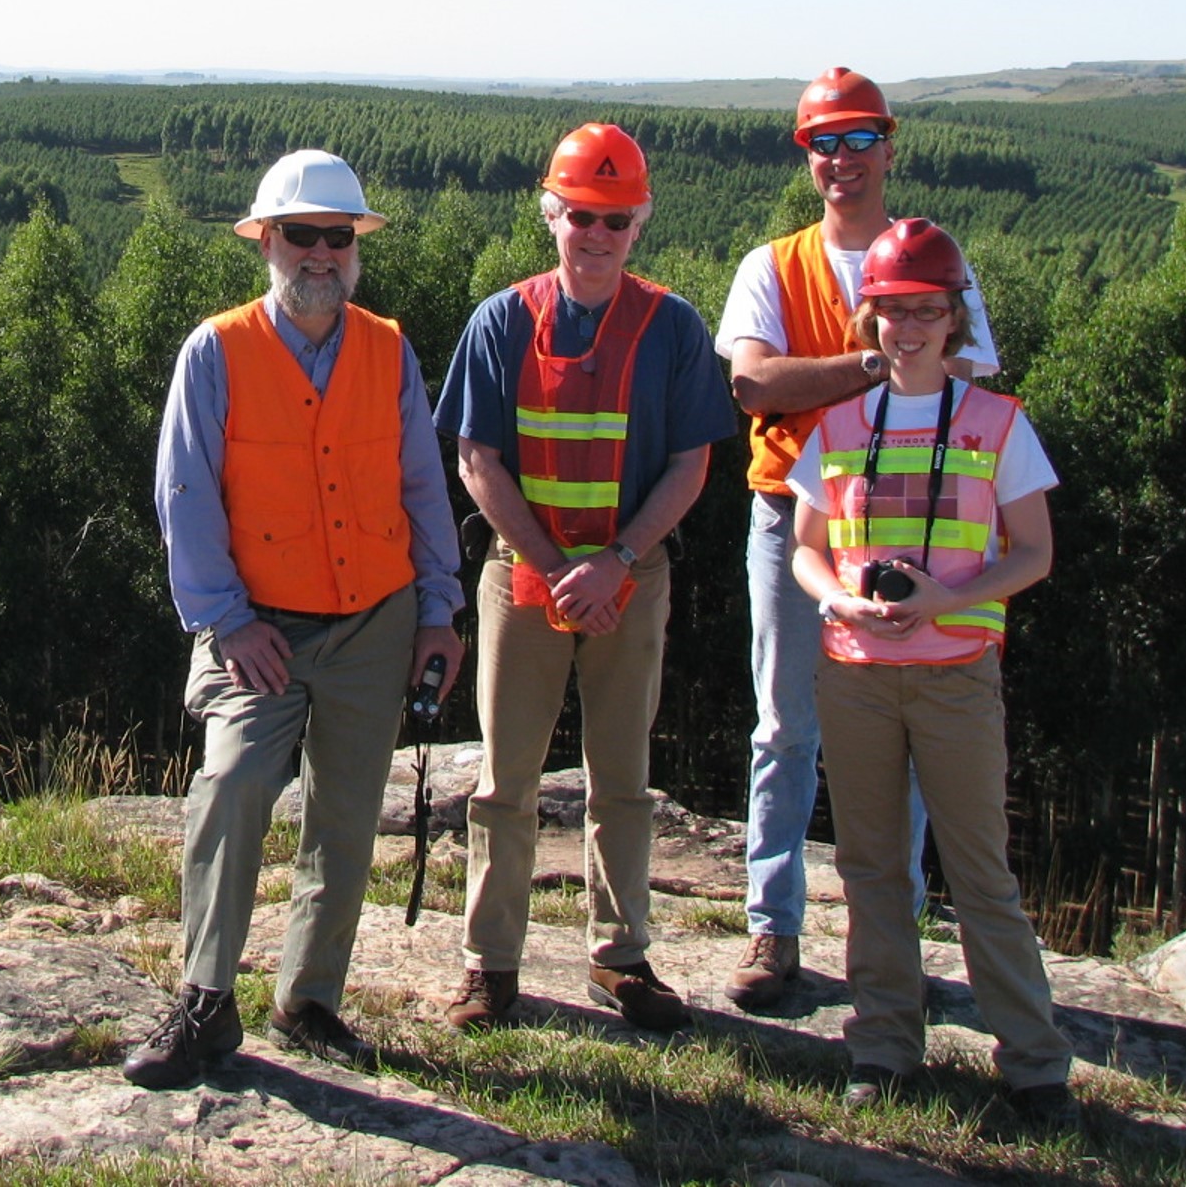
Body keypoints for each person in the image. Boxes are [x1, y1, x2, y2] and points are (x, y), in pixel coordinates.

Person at [131, 149, 465, 1089]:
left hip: (377, 621)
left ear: (355, 247)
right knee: (232, 786)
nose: (322, 253)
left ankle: (309, 997)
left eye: (338, 236)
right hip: (255, 626)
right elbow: (185, 497)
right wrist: (227, 622)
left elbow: (421, 488)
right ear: (266, 241)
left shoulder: (389, 348)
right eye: (302, 234)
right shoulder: (217, 349)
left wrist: (439, 610)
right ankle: (204, 1002)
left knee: (349, 815)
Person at [434, 124, 737, 1031]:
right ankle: (490, 966)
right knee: (505, 781)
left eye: (613, 218)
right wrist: (557, 567)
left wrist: (611, 564)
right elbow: (475, 460)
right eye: (578, 216)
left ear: (638, 223)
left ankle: (622, 959)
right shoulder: (500, 320)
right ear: (550, 216)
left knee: (622, 779)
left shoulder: (673, 325)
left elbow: (691, 464)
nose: (595, 234)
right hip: (523, 577)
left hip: (630, 577)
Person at [714, 67, 1001, 1010]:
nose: (839, 160)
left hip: (919, 522)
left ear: (889, 144)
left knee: (909, 732)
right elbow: (755, 388)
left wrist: (831, 373)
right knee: (786, 727)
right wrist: (887, 356)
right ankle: (774, 927)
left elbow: (975, 382)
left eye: (856, 139)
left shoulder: (936, 254)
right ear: (807, 157)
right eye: (821, 143)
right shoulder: (772, 265)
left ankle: (895, 936)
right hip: (792, 519)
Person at [787, 217, 1075, 1121]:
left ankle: (1033, 1066)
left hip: (955, 671)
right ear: (868, 319)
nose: (906, 327)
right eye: (890, 311)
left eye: (925, 310)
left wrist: (941, 601)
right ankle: (882, 1049)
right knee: (870, 867)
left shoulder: (998, 422)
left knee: (979, 870)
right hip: (857, 672)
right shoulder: (834, 425)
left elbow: (1033, 553)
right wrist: (838, 598)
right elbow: (806, 547)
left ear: (954, 318)